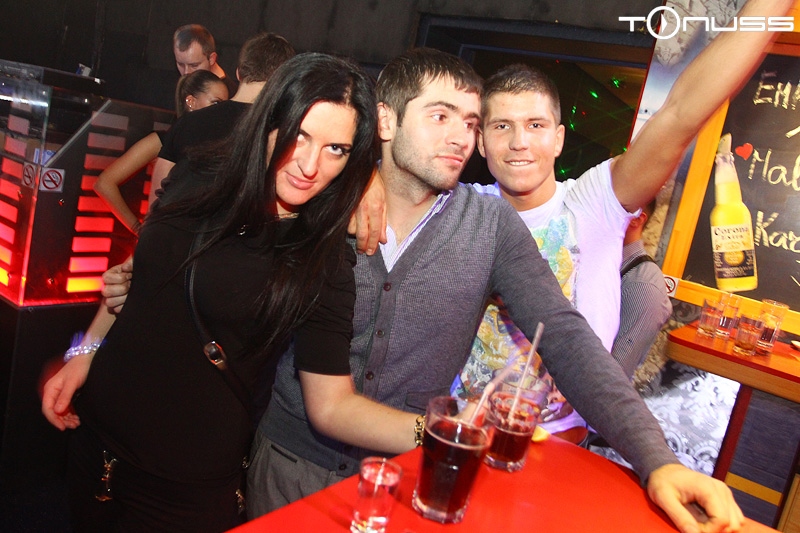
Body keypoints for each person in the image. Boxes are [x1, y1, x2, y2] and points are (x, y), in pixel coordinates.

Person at [243, 46, 745, 533]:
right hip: (290, 467)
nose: (460, 137)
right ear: (387, 121)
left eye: (470, 122)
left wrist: (658, 460)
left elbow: (567, 339)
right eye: (441, 116)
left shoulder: (489, 224)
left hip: (411, 477)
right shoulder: (323, 197)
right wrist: (358, 179)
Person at [41, 52, 378, 532]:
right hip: (94, 445)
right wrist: (85, 352)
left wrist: (437, 431)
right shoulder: (198, 172)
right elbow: (140, 276)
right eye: (298, 135)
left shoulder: (322, 257)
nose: (309, 165)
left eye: (336, 149)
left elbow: (332, 404)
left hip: (183, 487)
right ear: (268, 121)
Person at [454, 0, 793, 442]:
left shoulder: (593, 202)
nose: (519, 142)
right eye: (502, 126)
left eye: (536, 125)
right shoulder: (459, 207)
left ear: (558, 139)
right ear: (481, 141)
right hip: (457, 429)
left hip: (553, 445)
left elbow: (681, 112)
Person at [151, 32, 296, 203]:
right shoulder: (279, 135)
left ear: (238, 73)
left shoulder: (188, 121)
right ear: (282, 82)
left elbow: (156, 199)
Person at [94, 70, 228, 235]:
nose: (223, 112)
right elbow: (104, 183)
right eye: (216, 103)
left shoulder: (219, 147)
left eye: (226, 106)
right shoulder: (162, 141)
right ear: (191, 102)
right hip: (163, 238)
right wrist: (138, 229)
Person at [611, 200, 672, 380]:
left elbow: (614, 375)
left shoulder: (643, 285)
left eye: (611, 204)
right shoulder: (593, 259)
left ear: (636, 220)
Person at [173, 24, 237, 96]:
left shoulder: (227, 94)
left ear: (211, 59)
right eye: (180, 64)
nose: (186, 72)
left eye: (194, 65)